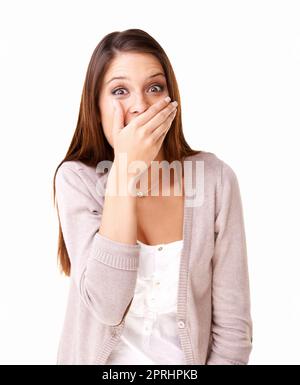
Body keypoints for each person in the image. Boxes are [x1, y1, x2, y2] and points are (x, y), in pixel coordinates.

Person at [53, 28, 253, 365]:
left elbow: (233, 331)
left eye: (154, 88)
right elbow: (106, 305)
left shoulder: (215, 179)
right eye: (120, 91)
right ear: (96, 106)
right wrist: (125, 172)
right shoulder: (76, 180)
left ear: (171, 101)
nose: (140, 105)